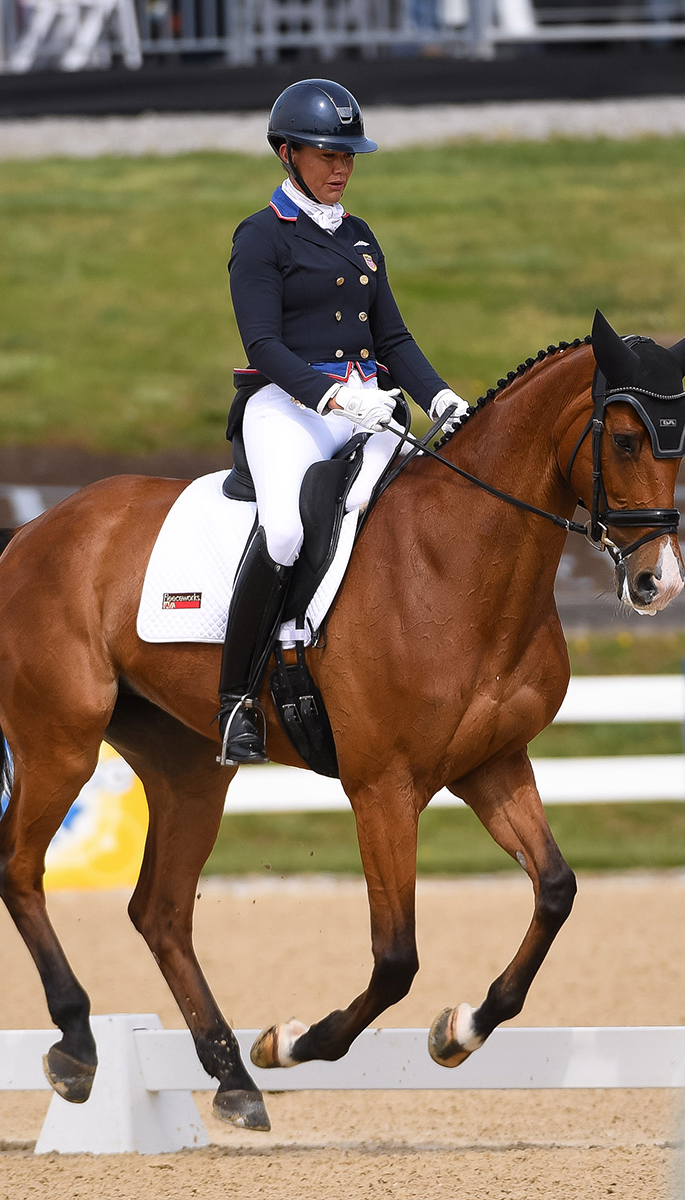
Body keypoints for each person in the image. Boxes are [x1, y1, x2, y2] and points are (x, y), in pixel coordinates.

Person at [216, 77, 468, 766]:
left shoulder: (359, 237)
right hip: (287, 405)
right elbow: (262, 345)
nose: (341, 168)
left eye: (348, 155)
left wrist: (442, 398)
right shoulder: (261, 235)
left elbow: (393, 339)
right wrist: (332, 398)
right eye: (328, 154)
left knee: (417, 508)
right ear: (288, 154)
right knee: (287, 530)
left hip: (369, 404)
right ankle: (236, 700)